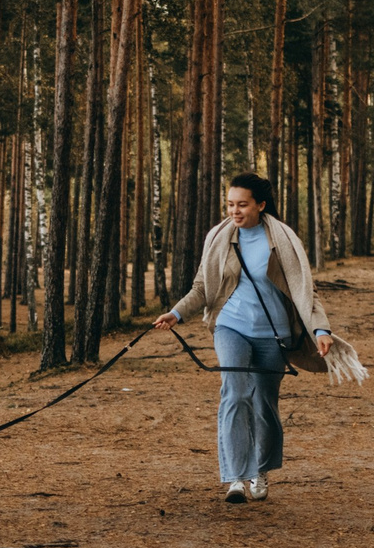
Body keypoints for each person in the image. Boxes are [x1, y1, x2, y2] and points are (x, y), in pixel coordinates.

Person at [154, 173, 360, 502]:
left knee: (265, 405)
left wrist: (320, 330)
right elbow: (202, 287)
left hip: (273, 334)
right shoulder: (218, 238)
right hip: (231, 327)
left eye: (242, 205)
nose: (234, 211)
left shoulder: (283, 240)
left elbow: (306, 292)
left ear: (261, 205)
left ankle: (260, 469)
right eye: (230, 204)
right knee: (234, 395)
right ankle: (236, 477)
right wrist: (176, 313)